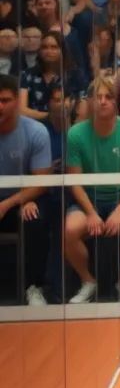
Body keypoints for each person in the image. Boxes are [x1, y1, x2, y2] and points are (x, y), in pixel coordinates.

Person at [63, 76, 120, 304]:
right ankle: (88, 281)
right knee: (70, 230)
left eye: (108, 97)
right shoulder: (76, 134)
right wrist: (91, 213)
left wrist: (119, 212)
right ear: (89, 101)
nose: (102, 102)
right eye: (97, 97)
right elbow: (74, 181)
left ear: (116, 101)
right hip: (88, 199)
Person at [0, 74, 52, 305]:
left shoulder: (36, 131)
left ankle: (34, 286)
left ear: (16, 102)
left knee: (34, 219)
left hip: (23, 199)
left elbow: (41, 182)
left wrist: (14, 202)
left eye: (5, 100)